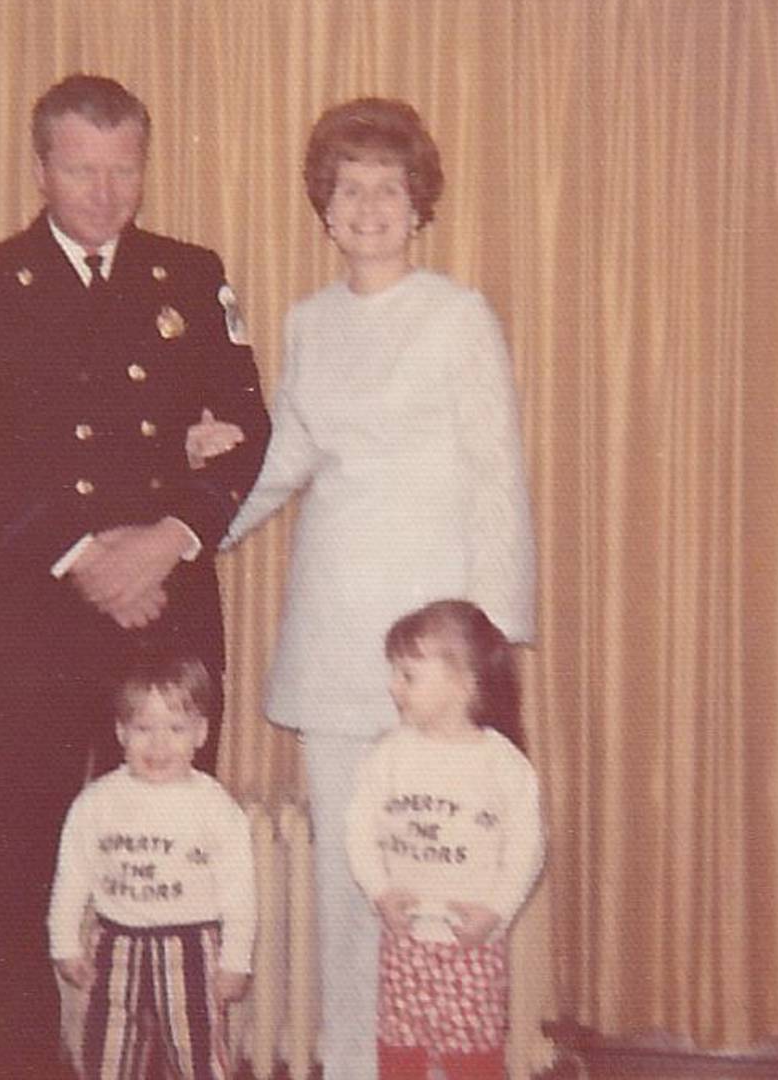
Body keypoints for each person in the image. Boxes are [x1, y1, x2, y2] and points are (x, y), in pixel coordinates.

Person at [0, 73, 270, 1078]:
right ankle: (15, 1060)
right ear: (42, 166)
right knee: (18, 855)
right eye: (81, 167)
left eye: (124, 168)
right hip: (32, 608)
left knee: (173, 852)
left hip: (166, 611)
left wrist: (168, 538)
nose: (105, 191)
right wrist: (88, 557)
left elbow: (250, 439)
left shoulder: (192, 275)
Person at [196, 97, 537, 1080]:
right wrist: (195, 528)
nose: (370, 205)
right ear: (326, 206)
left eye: (389, 187)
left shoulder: (459, 313)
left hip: (437, 645)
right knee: (356, 877)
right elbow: (288, 455)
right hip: (336, 628)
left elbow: (495, 470)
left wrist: (494, 639)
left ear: (418, 202)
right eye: (350, 188)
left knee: (452, 870)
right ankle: (348, 1064)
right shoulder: (307, 319)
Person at [346, 600, 544, 1080]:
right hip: (406, 939)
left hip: (471, 942)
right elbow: (358, 830)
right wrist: (380, 893)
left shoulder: (503, 765)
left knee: (472, 1057)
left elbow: (527, 850)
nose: (394, 687)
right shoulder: (388, 755)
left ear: (463, 681)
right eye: (394, 673)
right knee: (400, 1050)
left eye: (408, 676)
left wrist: (496, 911)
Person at [48, 654, 256, 1080]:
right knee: (107, 1056)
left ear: (200, 732)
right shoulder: (96, 803)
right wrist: (64, 943)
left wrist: (237, 960)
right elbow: (71, 880)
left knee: (198, 1056)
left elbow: (240, 894)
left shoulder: (215, 808)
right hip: (114, 948)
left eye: (176, 729)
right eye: (143, 729)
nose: (158, 745)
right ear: (121, 731)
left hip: (191, 951)